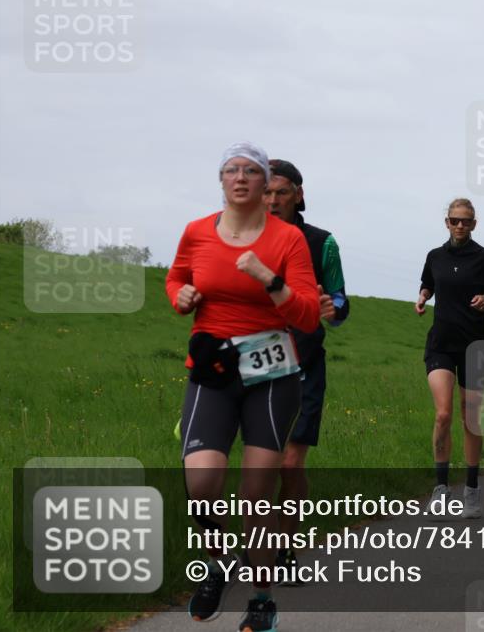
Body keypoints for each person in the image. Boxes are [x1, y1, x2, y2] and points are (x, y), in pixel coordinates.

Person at [166, 142, 321, 632]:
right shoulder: (196, 232)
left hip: (271, 374)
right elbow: (174, 280)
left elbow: (308, 315)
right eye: (231, 170)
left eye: (250, 171)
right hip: (213, 369)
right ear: (221, 180)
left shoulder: (288, 240)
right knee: (202, 486)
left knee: (256, 495)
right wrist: (181, 297)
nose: (240, 178)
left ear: (264, 183)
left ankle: (260, 598)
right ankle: (217, 563)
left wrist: (269, 279)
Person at [264, 159, 350, 583]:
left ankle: (284, 551)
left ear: (298, 193)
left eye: (282, 191)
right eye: (267, 192)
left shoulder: (322, 243)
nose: (273, 200)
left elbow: (339, 301)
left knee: (290, 463)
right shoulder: (242, 237)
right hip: (253, 363)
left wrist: (334, 308)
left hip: (305, 363)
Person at [415, 198, 484, 519]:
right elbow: (428, 282)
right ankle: (441, 489)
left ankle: (472, 491)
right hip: (441, 345)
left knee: (469, 416)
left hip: (475, 347)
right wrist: (422, 297)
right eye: (455, 220)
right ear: (446, 222)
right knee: (443, 415)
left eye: (466, 221)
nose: (460, 226)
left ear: (474, 224)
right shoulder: (435, 256)